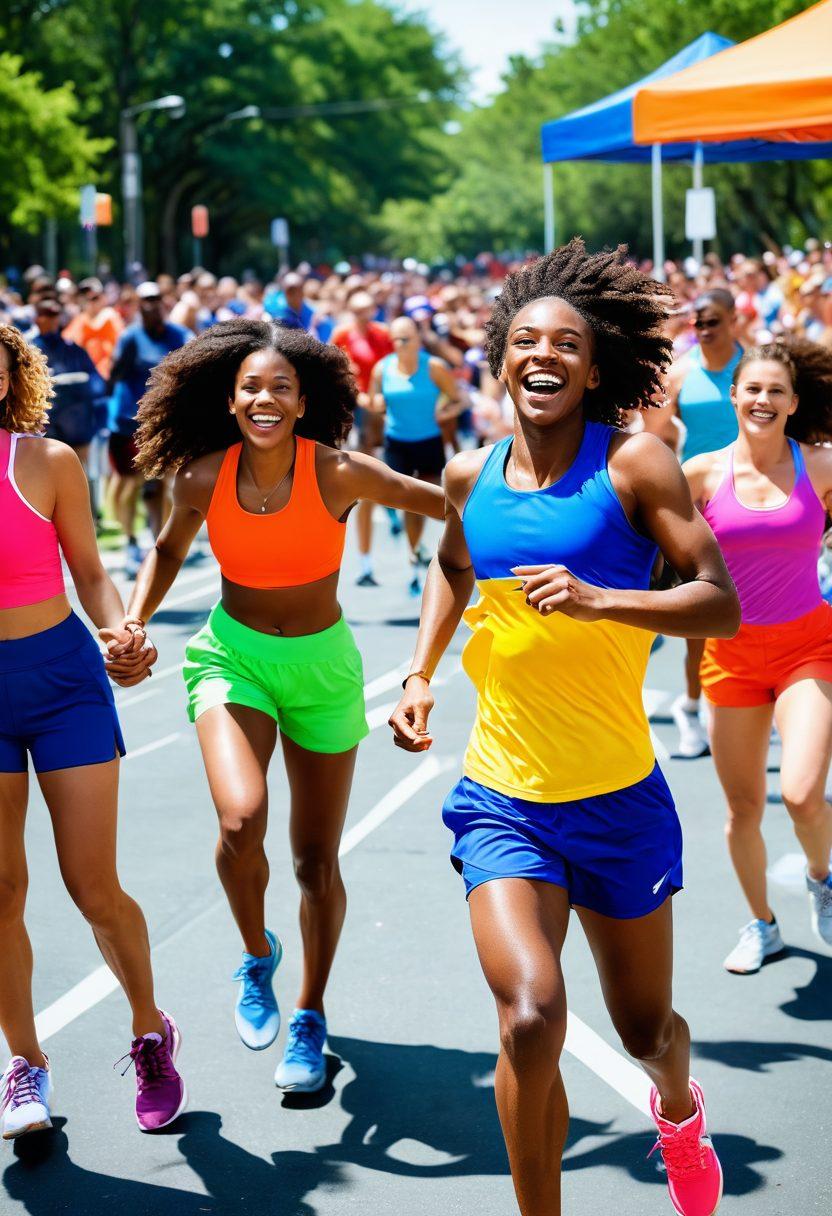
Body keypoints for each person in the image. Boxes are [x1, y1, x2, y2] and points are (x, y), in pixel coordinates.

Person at [389, 240, 739, 1216]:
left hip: (619, 795)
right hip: (504, 796)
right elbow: (456, 568)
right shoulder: (470, 474)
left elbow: (718, 604)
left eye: (565, 345)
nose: (543, 356)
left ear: (593, 367)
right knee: (530, 1017)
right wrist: (419, 673)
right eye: (525, 340)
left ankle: (675, 1102)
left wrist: (601, 600)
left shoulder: (632, 464)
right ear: (499, 356)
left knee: (642, 1028)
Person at [124, 319, 444, 1094]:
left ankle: (310, 1014)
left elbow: (447, 505)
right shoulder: (202, 477)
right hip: (233, 657)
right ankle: (256, 955)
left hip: (324, 669)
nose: (264, 399)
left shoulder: (338, 471)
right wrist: (135, 619)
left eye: (280, 388)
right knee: (240, 819)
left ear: (304, 403)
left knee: (313, 861)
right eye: (251, 388)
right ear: (230, 400)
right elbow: (168, 549)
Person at [0, 324, 185, 1140]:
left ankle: (150, 1028)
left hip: (64, 684)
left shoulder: (46, 463)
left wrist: (121, 633)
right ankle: (25, 1066)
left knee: (90, 888)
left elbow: (93, 572)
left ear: (10, 380)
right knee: (0, 893)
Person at [684, 339, 832, 973]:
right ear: (734, 396)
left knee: (800, 795)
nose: (763, 400)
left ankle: (823, 880)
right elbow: (639, 537)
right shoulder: (701, 474)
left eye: (776, 391)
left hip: (809, 647)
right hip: (732, 656)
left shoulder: (821, 467)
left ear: (794, 403)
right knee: (743, 807)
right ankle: (762, 925)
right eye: (753, 389)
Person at [645, 289, 744, 760]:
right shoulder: (681, 372)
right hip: (699, 501)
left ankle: (748, 699)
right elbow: (658, 435)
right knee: (701, 609)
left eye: (713, 322)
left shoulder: (754, 368)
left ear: (734, 320)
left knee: (760, 604)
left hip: (756, 498)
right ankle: (694, 705)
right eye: (698, 323)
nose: (705, 330)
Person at [368, 316, 467, 593]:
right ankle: (415, 551)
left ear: (418, 340)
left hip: (428, 441)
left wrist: (444, 412)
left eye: (405, 339)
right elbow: (373, 398)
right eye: (396, 339)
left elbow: (458, 399)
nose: (400, 344)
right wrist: (375, 403)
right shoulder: (382, 368)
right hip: (397, 442)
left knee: (428, 499)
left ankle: (428, 552)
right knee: (406, 502)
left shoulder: (433, 367)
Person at [107, 282, 192, 577]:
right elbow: (113, 376)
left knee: (164, 486)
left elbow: (195, 367)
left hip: (165, 424)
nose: (151, 305)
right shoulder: (129, 336)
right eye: (145, 300)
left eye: (156, 299)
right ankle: (131, 542)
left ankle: (160, 544)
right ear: (137, 304)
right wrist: (121, 362)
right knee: (130, 484)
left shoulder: (179, 335)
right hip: (129, 422)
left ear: (164, 302)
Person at [332, 292, 394, 586]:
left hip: (382, 407)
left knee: (390, 467)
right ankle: (365, 560)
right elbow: (336, 374)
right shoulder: (342, 334)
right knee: (362, 471)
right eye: (357, 310)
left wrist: (378, 397)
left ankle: (392, 506)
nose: (363, 315)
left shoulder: (382, 335)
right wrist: (360, 396)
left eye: (367, 309)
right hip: (356, 411)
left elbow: (391, 368)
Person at [30, 297, 107, 513]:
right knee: (46, 477)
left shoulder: (74, 349)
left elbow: (97, 383)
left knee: (77, 474)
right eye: (47, 314)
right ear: (37, 318)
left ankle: (88, 516)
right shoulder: (29, 348)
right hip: (44, 427)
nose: (52, 320)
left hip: (76, 425)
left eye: (56, 315)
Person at [62, 277, 124, 381]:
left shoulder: (111, 315)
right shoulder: (80, 319)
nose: (90, 302)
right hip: (85, 377)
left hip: (108, 377)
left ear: (103, 298)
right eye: (86, 298)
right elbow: (66, 341)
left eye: (94, 298)